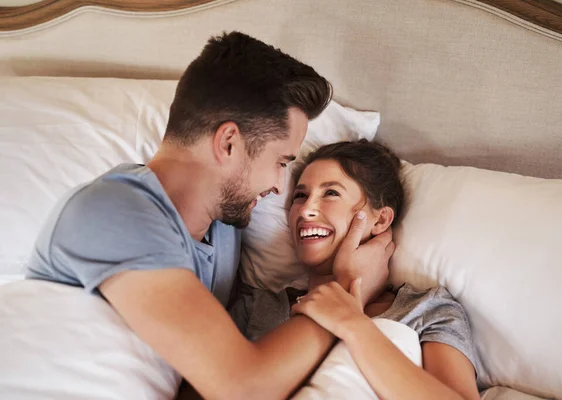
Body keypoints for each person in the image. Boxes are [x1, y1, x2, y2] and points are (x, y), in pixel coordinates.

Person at [25, 32, 394, 399]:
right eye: (280, 162)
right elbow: (243, 388)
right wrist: (346, 288)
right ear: (228, 142)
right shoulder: (114, 212)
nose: (279, 186)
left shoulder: (222, 227)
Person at [231, 140, 480, 400]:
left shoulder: (427, 310)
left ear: (381, 219)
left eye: (331, 193)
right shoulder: (257, 306)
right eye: (300, 196)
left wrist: (352, 323)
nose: (306, 210)